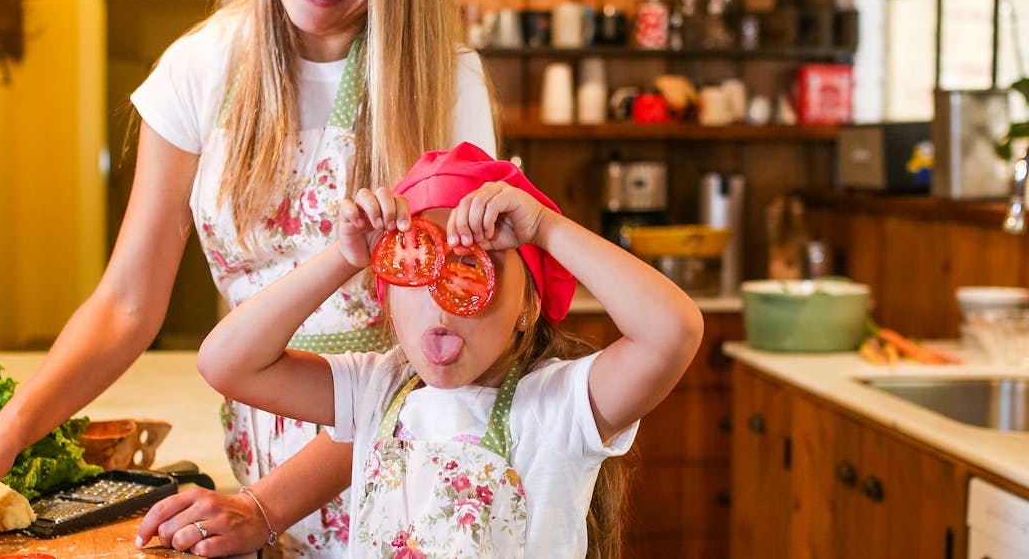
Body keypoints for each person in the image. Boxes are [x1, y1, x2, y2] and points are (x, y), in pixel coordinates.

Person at [0, 0, 496, 556]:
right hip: (254, 482)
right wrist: (7, 432)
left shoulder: (444, 81)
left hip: (405, 472)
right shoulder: (200, 68)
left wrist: (267, 505)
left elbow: (453, 353)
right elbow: (127, 305)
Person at [197, 143, 704, 557]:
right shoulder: (376, 389)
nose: (441, 301)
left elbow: (672, 331)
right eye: (415, 268)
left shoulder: (560, 407)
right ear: (388, 299)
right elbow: (226, 364)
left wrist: (546, 229)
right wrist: (343, 258)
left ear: (529, 304)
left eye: (470, 265)